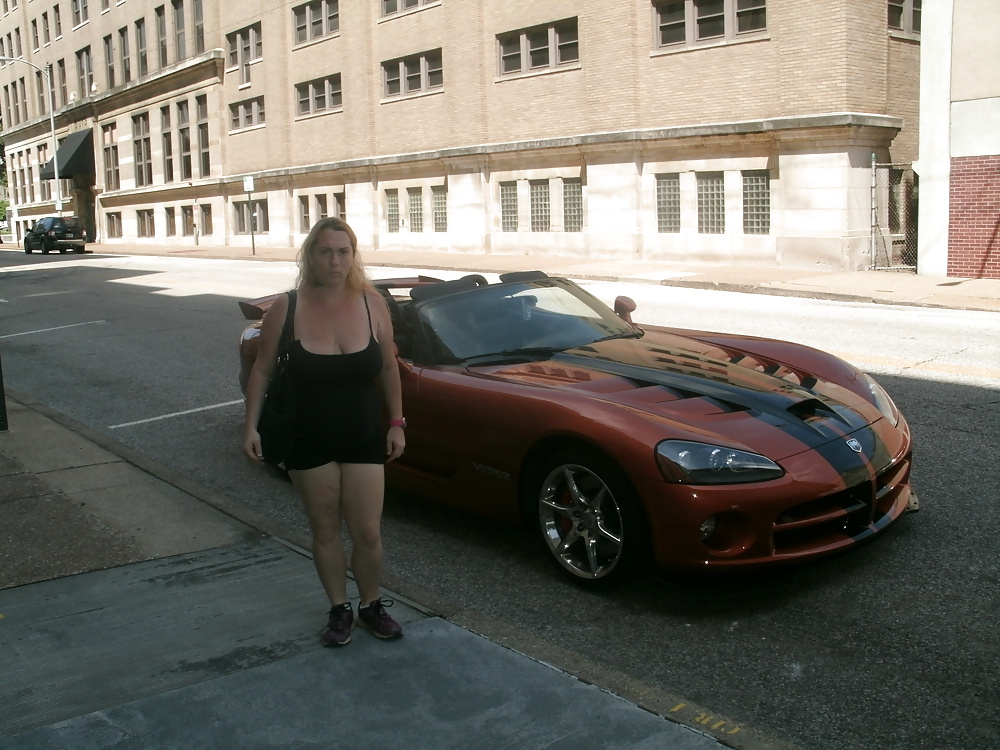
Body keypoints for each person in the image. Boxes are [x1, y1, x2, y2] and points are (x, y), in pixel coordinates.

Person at [243, 217, 406, 647]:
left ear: (353, 256)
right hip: (306, 436)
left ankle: (371, 604)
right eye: (325, 251)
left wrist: (396, 423)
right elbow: (261, 370)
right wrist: (251, 427)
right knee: (326, 530)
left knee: (368, 531)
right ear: (310, 256)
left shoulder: (372, 304)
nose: (335, 261)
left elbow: (388, 367)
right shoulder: (287, 307)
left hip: (363, 435)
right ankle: (339, 610)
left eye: (343, 251)